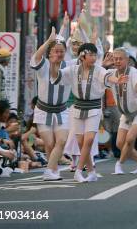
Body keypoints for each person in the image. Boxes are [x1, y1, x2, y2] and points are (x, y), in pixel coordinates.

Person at [52, 43, 126, 182]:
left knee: (89, 140)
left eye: (94, 55)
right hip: (77, 108)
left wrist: (117, 80)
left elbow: (108, 77)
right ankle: (91, 171)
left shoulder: (98, 70)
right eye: (90, 55)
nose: (93, 58)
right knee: (80, 142)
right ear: (82, 56)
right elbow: (57, 77)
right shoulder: (73, 70)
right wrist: (54, 63)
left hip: (94, 107)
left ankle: (78, 171)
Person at [30, 28, 71, 181]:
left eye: (61, 51)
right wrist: (48, 41)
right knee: (49, 143)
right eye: (55, 51)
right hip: (43, 110)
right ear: (49, 52)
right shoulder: (43, 65)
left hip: (61, 110)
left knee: (61, 141)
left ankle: (49, 171)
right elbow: (36, 57)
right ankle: (53, 170)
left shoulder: (69, 66)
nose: (59, 54)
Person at [111, 48, 137, 175]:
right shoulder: (112, 74)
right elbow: (100, 76)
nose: (117, 61)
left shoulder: (133, 72)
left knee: (129, 139)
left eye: (120, 58)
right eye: (115, 58)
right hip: (126, 114)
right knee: (119, 143)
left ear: (127, 60)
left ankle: (119, 164)